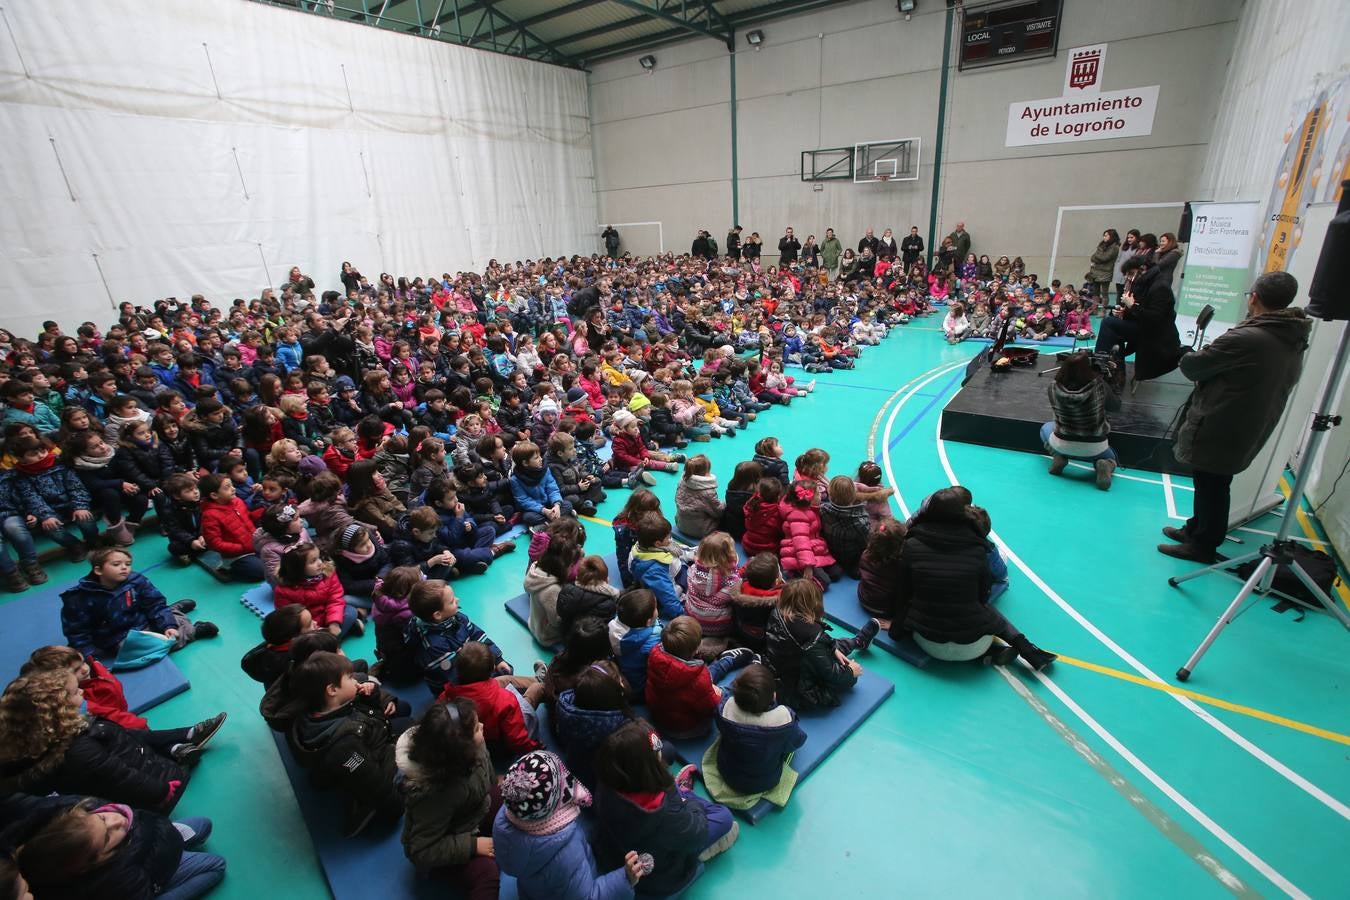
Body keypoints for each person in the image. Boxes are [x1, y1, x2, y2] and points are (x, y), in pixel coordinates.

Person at [1162, 272, 1310, 563]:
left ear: (1254, 297)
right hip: (1247, 419)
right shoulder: (1290, 333)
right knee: (1210, 482)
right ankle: (1196, 529)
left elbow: (1193, 367)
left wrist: (1191, 355)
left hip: (1225, 421)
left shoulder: (1248, 337)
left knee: (1213, 484)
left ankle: (1202, 545)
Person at [891, 487, 1055, 669]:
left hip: (927, 641)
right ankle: (1026, 650)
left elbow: (903, 593)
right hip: (974, 644)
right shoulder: (978, 550)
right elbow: (982, 598)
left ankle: (995, 653)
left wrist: (896, 630)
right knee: (981, 609)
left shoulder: (911, 545)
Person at [593, 722, 738, 897]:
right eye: (656, 756)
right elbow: (696, 834)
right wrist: (680, 797)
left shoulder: (609, 779)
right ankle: (684, 791)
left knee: (670, 751)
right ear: (648, 769)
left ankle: (681, 792)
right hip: (660, 877)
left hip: (615, 853)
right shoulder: (666, 814)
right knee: (724, 817)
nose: (660, 755)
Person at [493, 749, 646, 900]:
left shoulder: (507, 816)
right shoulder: (566, 854)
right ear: (552, 804)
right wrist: (625, 879)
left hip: (534, 889)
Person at [6, 795, 227, 900]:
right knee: (216, 865)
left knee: (202, 825)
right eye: (107, 838)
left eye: (101, 819)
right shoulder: (120, 880)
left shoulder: (51, 826)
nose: (116, 821)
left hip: (146, 839)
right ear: (92, 862)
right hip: (148, 870)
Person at [60, 545, 219, 666]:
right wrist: (88, 656)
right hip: (118, 637)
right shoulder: (79, 598)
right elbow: (76, 631)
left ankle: (174, 613)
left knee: (169, 628)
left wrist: (167, 625)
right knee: (149, 649)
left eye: (128, 564)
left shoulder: (136, 580)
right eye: (117, 564)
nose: (124, 567)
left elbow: (155, 603)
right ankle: (193, 631)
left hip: (143, 620)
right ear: (98, 570)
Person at [1041, 351, 1121, 490]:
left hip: (1062, 442)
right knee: (1111, 457)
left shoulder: (1053, 387)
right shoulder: (1099, 386)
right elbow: (1116, 406)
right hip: (1094, 445)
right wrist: (1111, 383)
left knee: (1045, 428)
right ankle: (1105, 465)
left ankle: (1058, 457)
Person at [1095, 255, 1181, 381]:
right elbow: (1142, 312)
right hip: (1147, 327)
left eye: (1131, 273)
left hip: (1156, 335)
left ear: (1143, 269)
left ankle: (1101, 363)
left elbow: (1155, 318)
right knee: (1113, 325)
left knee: (1109, 324)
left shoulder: (1160, 286)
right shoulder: (1147, 283)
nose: (1129, 278)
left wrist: (1132, 306)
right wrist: (1124, 312)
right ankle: (1113, 366)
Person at [1086, 229, 1120, 302]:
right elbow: (1093, 256)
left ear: (1112, 236)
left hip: (1105, 272)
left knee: (1104, 292)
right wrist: (1097, 256)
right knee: (1096, 292)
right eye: (1103, 236)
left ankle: (1104, 309)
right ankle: (1094, 307)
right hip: (1095, 271)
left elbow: (1104, 258)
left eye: (1106, 236)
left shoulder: (1114, 247)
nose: (1104, 237)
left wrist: (1097, 256)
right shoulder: (1102, 245)